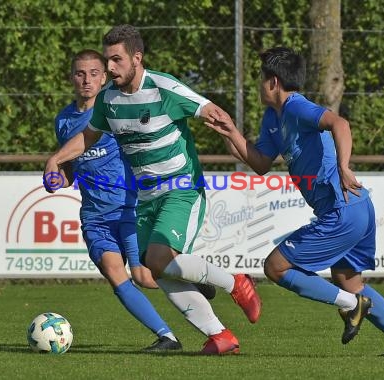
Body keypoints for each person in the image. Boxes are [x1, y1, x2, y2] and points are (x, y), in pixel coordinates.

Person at [44, 25, 262, 355]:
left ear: (137, 58)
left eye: (116, 60)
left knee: (157, 260)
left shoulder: (164, 87)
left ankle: (236, 282)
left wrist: (246, 151)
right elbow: (88, 136)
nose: (110, 68)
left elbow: (213, 113)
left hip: (181, 187)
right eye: (108, 60)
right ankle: (220, 336)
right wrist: (56, 159)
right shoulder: (108, 100)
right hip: (145, 199)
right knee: (156, 272)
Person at [205, 46, 384, 357]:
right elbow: (260, 162)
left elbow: (340, 124)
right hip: (357, 208)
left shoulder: (296, 107)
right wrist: (229, 132)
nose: (257, 84)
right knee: (348, 280)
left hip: (343, 208)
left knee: (276, 267)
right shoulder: (273, 117)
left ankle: (352, 306)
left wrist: (345, 167)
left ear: (274, 82)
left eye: (260, 78)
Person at [47, 48, 181, 351]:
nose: (86, 80)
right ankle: (166, 336)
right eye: (80, 73)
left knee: (145, 276)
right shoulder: (64, 121)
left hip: (129, 208)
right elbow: (72, 168)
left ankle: (197, 280)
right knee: (114, 274)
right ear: (71, 77)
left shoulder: (114, 111)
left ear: (104, 77)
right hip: (95, 216)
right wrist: (60, 179)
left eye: (94, 73)